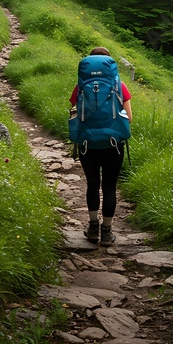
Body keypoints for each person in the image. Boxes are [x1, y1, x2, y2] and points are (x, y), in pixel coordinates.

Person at [69, 47, 132, 247]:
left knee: (93, 185)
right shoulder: (120, 86)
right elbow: (129, 118)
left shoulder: (80, 87)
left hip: (88, 144)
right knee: (110, 187)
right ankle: (106, 232)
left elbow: (74, 115)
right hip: (113, 144)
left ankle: (93, 228)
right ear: (110, 65)